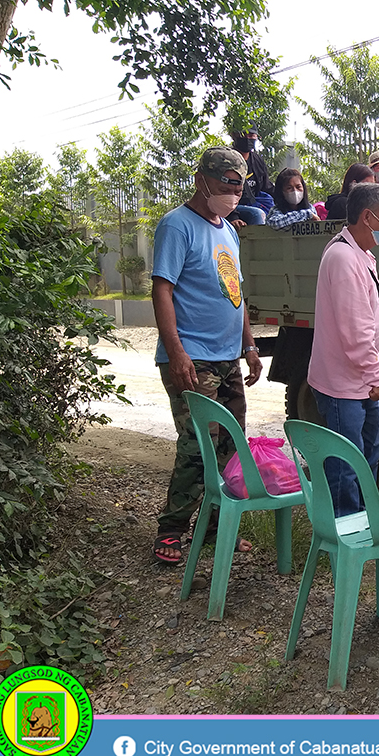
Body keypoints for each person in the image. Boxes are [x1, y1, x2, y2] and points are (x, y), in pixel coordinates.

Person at [150, 147, 264, 564]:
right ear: (203, 180)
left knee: (231, 448)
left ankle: (217, 527)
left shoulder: (228, 230)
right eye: (226, 184)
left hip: (226, 356)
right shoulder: (176, 226)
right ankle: (171, 530)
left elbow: (236, 291)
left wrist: (248, 345)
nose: (234, 192)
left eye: (239, 185)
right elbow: (161, 289)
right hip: (191, 355)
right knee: (199, 446)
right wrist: (176, 352)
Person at [306, 183, 379, 516]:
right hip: (346, 385)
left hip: (359, 382)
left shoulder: (360, 254)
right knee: (347, 460)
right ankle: (343, 529)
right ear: (368, 217)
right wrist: (375, 375)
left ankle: (364, 517)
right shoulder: (342, 257)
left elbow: (362, 300)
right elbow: (355, 329)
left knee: (370, 450)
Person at [229, 127, 275, 225]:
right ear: (233, 136)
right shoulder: (227, 160)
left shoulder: (257, 160)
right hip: (232, 206)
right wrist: (233, 216)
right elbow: (223, 192)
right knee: (257, 214)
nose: (247, 138)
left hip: (254, 203)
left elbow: (267, 187)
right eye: (242, 135)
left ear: (257, 137)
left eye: (251, 135)